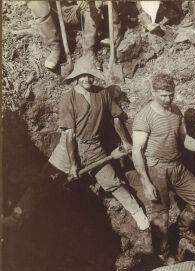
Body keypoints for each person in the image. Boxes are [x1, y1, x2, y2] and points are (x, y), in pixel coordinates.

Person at [54, 55, 152, 253]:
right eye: (83, 76)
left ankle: (140, 216)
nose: (87, 79)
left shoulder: (103, 94)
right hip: (68, 147)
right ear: (76, 77)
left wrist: (125, 141)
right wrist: (73, 165)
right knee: (49, 179)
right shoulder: (68, 98)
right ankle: (21, 216)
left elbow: (116, 118)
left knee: (114, 182)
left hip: (95, 148)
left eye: (90, 76)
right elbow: (70, 134)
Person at [131, 73, 195, 255]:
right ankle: (162, 253)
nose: (168, 99)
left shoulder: (176, 111)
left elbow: (185, 140)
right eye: (163, 95)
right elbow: (136, 151)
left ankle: (184, 230)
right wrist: (146, 183)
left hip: (177, 166)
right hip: (157, 170)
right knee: (161, 214)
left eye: (171, 94)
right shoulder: (144, 117)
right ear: (153, 92)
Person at [27, 1, 106, 70]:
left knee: (95, 3)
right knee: (36, 3)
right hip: (54, 12)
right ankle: (55, 47)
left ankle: (89, 50)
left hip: (76, 11)